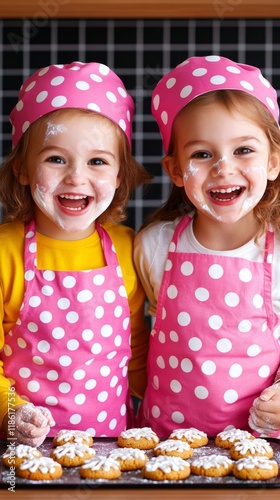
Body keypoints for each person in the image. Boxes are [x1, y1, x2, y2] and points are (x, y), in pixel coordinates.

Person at [0, 61, 151, 446]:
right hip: (25, 450)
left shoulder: (126, 246)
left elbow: (134, 346)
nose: (76, 177)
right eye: (55, 158)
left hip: (112, 447)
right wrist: (11, 413)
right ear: (22, 169)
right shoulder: (5, 252)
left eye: (97, 161)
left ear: (119, 176)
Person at [134, 55, 280, 438]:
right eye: (202, 154)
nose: (223, 167)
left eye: (243, 150)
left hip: (259, 446)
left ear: (273, 161)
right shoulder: (154, 246)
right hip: (164, 444)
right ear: (177, 171)